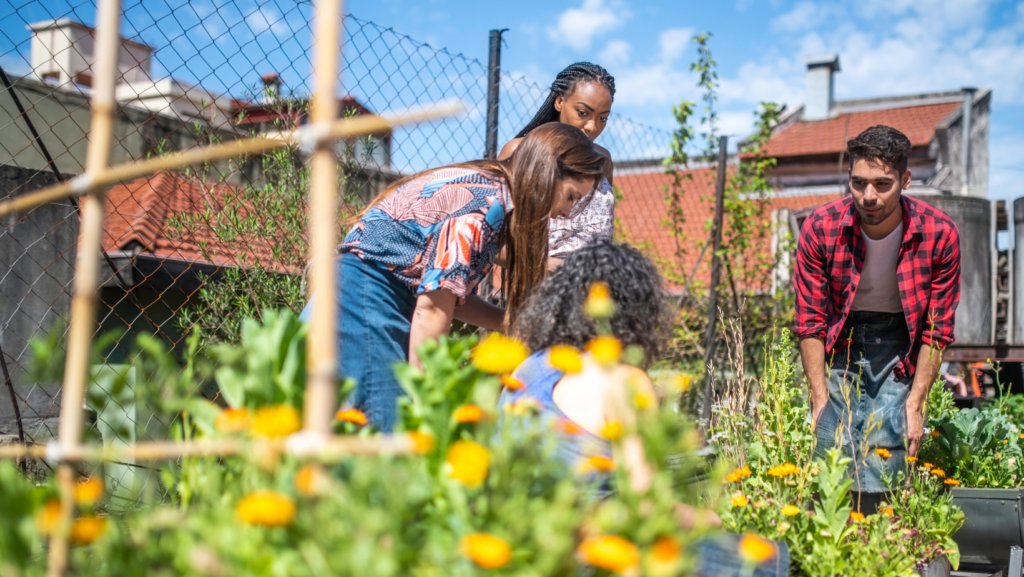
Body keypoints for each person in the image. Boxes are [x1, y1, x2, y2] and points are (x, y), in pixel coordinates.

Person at [499, 240, 789, 577]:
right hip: (587, 556)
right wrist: (710, 519)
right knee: (768, 562)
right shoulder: (623, 379)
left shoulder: (528, 367)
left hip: (519, 547)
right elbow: (646, 508)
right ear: (637, 312)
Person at [302, 123, 606, 431]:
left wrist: (509, 323)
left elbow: (447, 297)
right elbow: (431, 311)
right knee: (391, 438)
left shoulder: (488, 186)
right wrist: (427, 404)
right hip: (362, 302)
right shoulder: (483, 210)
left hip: (349, 294)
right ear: (547, 172)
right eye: (570, 196)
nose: (568, 212)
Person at [795, 125, 961, 512]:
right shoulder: (820, 227)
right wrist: (818, 399)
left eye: (883, 184)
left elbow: (937, 329)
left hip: (901, 340)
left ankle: (882, 544)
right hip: (842, 335)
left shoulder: (939, 234)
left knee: (889, 444)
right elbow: (810, 321)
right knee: (830, 446)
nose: (868, 196)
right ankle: (831, 546)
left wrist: (916, 403)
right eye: (858, 183)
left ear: (905, 180)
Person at [498, 62, 616, 268]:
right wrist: (559, 269)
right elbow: (492, 243)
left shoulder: (602, 160)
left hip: (599, 291)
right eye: (582, 112)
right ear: (560, 101)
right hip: (541, 289)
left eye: (602, 117)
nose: (592, 126)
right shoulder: (519, 152)